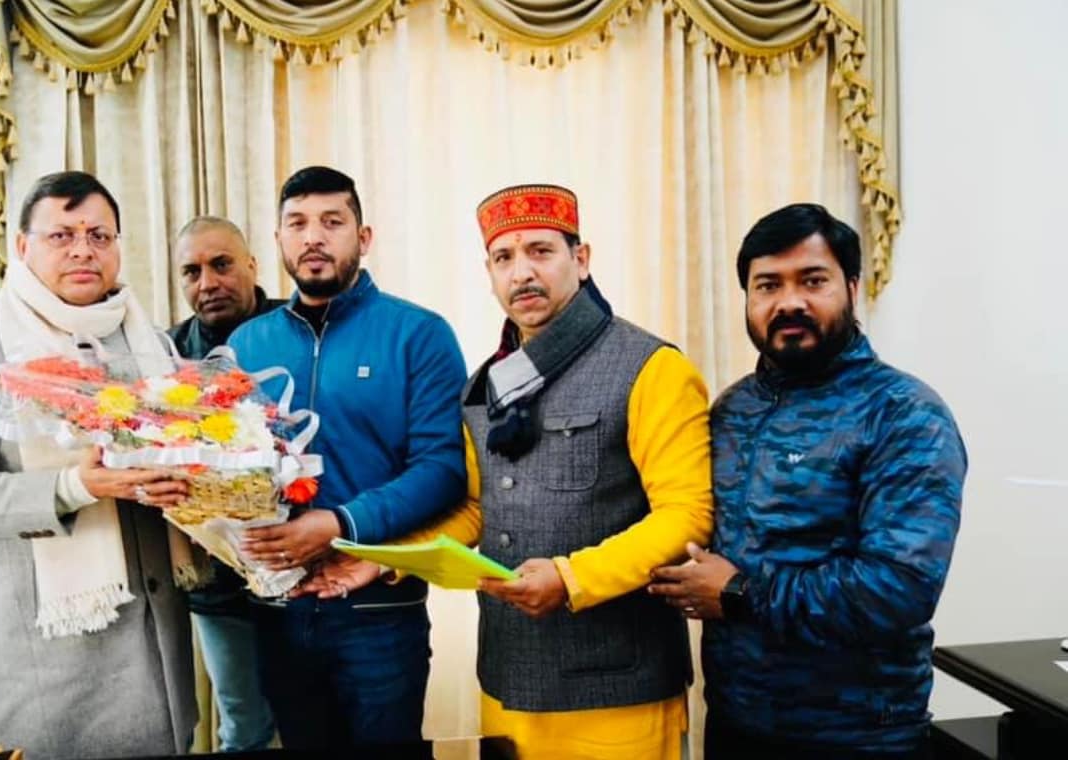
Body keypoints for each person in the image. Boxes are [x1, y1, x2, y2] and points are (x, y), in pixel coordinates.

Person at [306, 183, 715, 759]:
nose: (521, 272)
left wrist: (570, 578)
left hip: (617, 687)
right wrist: (385, 561)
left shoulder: (652, 367)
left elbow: (687, 515)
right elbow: (480, 509)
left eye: (540, 251)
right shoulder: (487, 383)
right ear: (490, 273)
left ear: (581, 258)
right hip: (507, 680)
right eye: (504, 257)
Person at [649, 203, 967, 759]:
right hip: (734, 722)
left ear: (852, 287)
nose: (789, 302)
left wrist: (739, 593)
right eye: (767, 285)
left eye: (813, 281)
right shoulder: (732, 410)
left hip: (860, 736)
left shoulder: (904, 413)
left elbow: (900, 590)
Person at [0, 171, 197, 759]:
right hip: (49, 665)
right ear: (22, 246)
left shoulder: (150, 344)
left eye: (99, 235)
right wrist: (74, 486)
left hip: (161, 653)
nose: (83, 249)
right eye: (62, 235)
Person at [224, 166, 468, 748]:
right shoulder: (245, 345)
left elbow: (443, 469)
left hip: (377, 611)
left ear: (364, 237)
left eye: (332, 222)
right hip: (278, 610)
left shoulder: (419, 334)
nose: (313, 237)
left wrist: (339, 523)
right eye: (297, 224)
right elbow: (227, 467)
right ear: (278, 240)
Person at [168, 215, 282, 751]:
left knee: (316, 722)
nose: (207, 283)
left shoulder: (296, 329)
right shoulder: (165, 354)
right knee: (242, 724)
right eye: (192, 272)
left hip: (304, 565)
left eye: (221, 265)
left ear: (253, 266)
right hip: (216, 581)